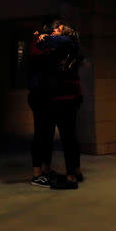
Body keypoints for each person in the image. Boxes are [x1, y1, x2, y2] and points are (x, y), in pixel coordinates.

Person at [27, 20, 83, 189]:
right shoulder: (58, 49)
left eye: (57, 30)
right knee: (55, 135)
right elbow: (37, 55)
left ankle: (70, 175)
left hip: (62, 98)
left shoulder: (66, 44)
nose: (54, 32)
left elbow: (52, 44)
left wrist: (41, 38)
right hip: (54, 97)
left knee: (65, 136)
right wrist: (39, 38)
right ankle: (65, 173)